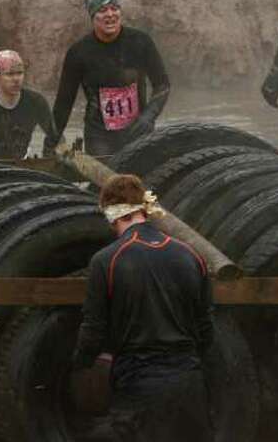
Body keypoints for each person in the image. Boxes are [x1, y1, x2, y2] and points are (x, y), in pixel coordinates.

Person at [71, 174, 214, 442]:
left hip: (139, 386)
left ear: (112, 215)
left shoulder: (106, 261)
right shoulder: (192, 255)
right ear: (143, 209)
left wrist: (79, 366)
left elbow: (93, 330)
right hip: (190, 384)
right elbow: (206, 328)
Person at [52, 0, 170, 157]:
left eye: (114, 8)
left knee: (143, 181)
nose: (110, 15)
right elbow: (64, 103)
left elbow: (162, 84)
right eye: (102, 10)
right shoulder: (79, 53)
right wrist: (51, 141)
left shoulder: (140, 42)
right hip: (99, 135)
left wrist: (148, 116)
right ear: (93, 16)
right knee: (106, 183)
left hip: (138, 130)